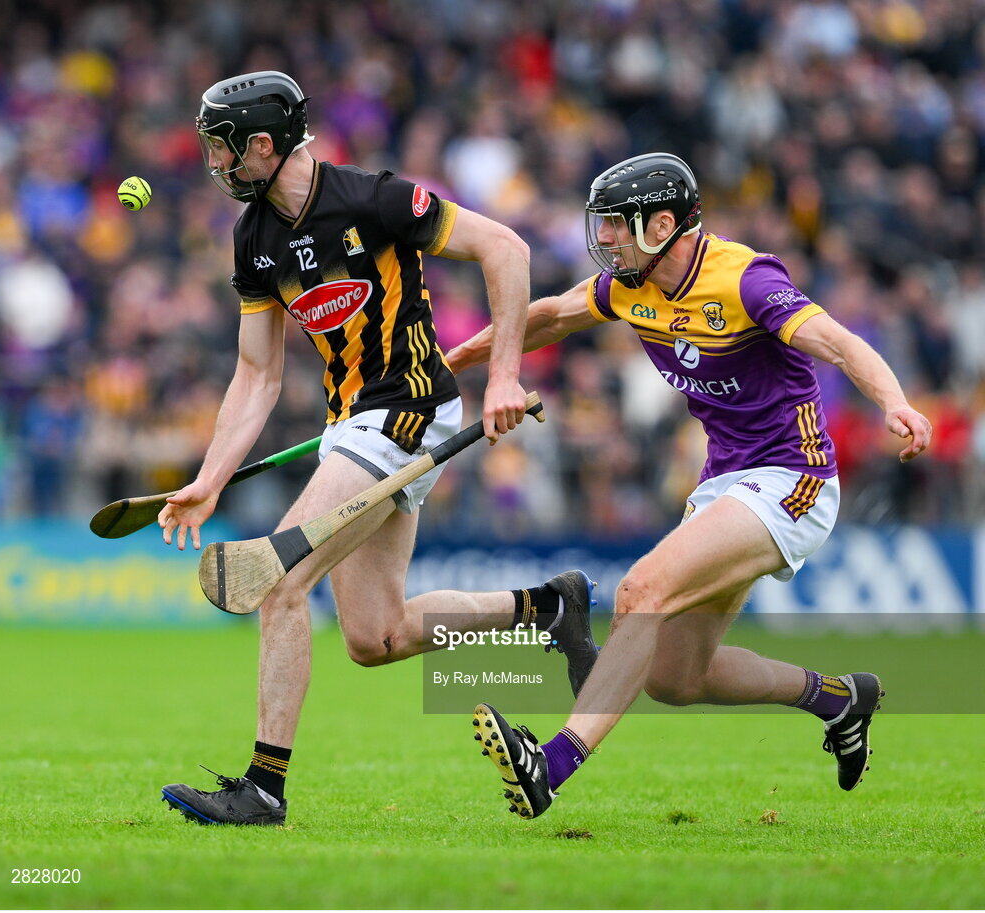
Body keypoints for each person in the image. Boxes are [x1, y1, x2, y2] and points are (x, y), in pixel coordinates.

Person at [157, 71, 599, 826]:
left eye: (222, 149)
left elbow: (507, 248)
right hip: (352, 426)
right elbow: (257, 375)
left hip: (406, 411)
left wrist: (502, 377)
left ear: (262, 146)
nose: (214, 164)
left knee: (281, 578)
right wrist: (209, 477)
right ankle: (549, 606)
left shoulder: (374, 198)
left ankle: (263, 790)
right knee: (376, 635)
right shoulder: (254, 239)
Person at [445, 152, 933, 819]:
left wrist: (895, 402)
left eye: (618, 225)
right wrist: (465, 357)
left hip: (794, 477)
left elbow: (842, 343)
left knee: (641, 590)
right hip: (726, 479)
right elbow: (554, 315)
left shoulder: (745, 281)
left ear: (664, 223)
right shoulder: (631, 285)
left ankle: (550, 765)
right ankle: (840, 699)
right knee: (676, 678)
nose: (606, 238)